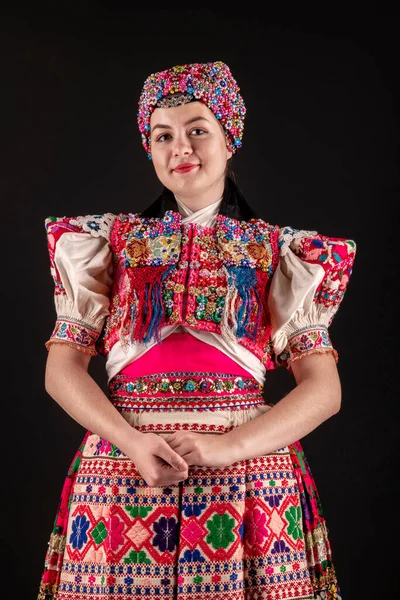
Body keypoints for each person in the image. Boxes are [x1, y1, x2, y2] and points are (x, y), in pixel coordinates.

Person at [37, 61, 356, 600]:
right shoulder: (103, 245)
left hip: (250, 476)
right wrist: (131, 441)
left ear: (230, 139)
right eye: (163, 135)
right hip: (123, 469)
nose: (180, 147)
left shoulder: (281, 253)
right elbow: (60, 370)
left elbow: (324, 391)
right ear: (149, 149)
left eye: (197, 130)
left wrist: (229, 447)